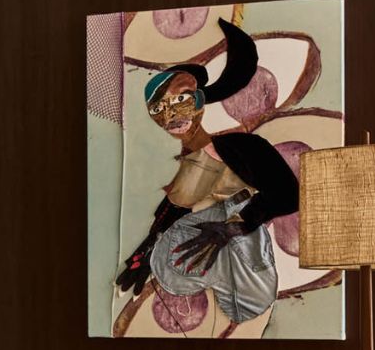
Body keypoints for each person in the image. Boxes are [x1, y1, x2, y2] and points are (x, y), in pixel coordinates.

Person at [115, 18, 299, 332]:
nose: (171, 116)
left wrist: (236, 226)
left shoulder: (244, 148)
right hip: (198, 271)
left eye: (180, 101)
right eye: (159, 109)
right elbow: (173, 214)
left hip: (246, 264)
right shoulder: (186, 166)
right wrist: (144, 254)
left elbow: (288, 194)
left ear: (200, 102)